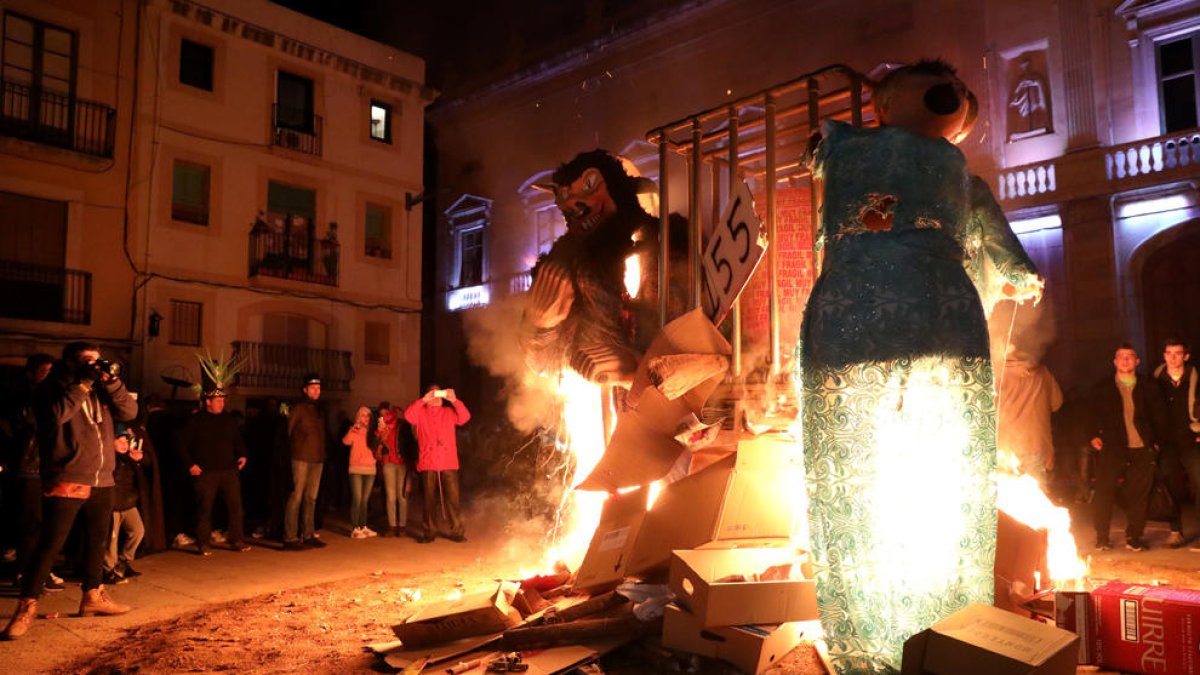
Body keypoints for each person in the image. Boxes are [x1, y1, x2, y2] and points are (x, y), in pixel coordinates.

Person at [794, 60, 1043, 671]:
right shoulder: (849, 148)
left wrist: (1016, 272)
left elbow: (986, 219)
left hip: (904, 308)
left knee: (914, 463)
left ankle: (920, 627)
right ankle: (893, 628)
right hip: (891, 310)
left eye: (959, 95)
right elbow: (990, 227)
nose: (953, 96)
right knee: (880, 469)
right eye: (944, 87)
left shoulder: (927, 165)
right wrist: (1016, 273)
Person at [2, 342, 138, 639]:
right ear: (72, 363)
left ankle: (93, 595)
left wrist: (111, 382)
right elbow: (54, 417)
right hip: (69, 474)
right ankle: (26, 606)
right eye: (89, 361)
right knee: (51, 543)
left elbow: (130, 410)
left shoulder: (103, 388)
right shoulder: (52, 388)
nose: (96, 366)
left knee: (96, 541)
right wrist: (83, 383)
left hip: (102, 476)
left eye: (98, 361)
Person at [1089, 343, 1166, 552]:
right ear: (1114, 361)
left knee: (1139, 494)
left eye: (1130, 356)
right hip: (1113, 446)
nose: (1125, 360)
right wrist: (1092, 435)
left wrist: (1157, 441)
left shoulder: (1149, 386)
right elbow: (1089, 414)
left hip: (1142, 447)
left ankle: (1134, 536)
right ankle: (1102, 536)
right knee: (1105, 491)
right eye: (1121, 357)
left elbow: (1160, 416)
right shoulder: (1103, 388)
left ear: (1137, 361)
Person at [0, 354, 65, 593]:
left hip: (45, 468)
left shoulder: (49, 396)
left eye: (51, 372)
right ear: (31, 373)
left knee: (45, 523)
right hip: (29, 467)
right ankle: (25, 573)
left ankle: (37, 570)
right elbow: (26, 430)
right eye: (43, 372)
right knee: (31, 523)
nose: (48, 376)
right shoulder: (25, 399)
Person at [177, 385, 250, 556]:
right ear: (208, 402)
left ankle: (237, 539)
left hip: (229, 471)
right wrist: (190, 464)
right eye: (218, 401)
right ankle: (204, 542)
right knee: (205, 508)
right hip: (206, 473)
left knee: (235, 507)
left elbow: (237, 440)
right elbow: (182, 445)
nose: (221, 404)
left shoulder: (228, 420)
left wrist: (243, 455)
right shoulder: (196, 421)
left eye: (223, 401)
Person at [404, 385, 471, 543]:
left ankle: (456, 531)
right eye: (432, 394)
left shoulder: (448, 412)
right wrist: (423, 400)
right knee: (428, 500)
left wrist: (454, 401)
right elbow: (408, 416)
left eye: (438, 394)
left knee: (453, 499)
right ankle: (429, 532)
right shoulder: (420, 413)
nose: (436, 397)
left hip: (448, 461)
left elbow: (465, 418)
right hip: (428, 462)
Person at [1152, 339, 1200, 548]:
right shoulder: (1155, 381)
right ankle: (1175, 530)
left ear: (1185, 356)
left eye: (1178, 353)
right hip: (1166, 442)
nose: (1173, 357)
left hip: (1191, 439)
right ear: (1164, 355)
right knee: (1170, 485)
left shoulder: (1196, 379)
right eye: (1169, 353)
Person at [997, 345, 1063, 488]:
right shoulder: (1043, 372)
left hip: (1005, 446)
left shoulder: (997, 374)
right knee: (1035, 497)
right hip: (1036, 444)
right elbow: (1057, 403)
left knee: (1006, 495)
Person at [284, 373, 326, 551]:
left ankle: (308, 534)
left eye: (318, 388)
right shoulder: (298, 408)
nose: (316, 391)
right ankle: (290, 537)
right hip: (301, 458)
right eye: (313, 388)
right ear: (305, 390)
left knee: (311, 498)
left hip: (317, 459)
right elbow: (288, 431)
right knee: (297, 496)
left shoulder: (319, 409)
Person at [104, 425, 146, 584]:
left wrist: (138, 459)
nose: (124, 444)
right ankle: (108, 571)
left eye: (126, 441)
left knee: (138, 531)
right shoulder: (108, 457)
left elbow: (146, 463)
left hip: (128, 502)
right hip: (113, 505)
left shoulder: (129, 458)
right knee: (111, 542)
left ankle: (123, 562)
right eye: (120, 440)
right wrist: (130, 458)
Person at [374, 401, 408, 537]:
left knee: (402, 496)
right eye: (381, 414)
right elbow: (375, 444)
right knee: (390, 496)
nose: (384, 416)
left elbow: (408, 441)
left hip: (402, 462)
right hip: (388, 462)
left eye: (386, 413)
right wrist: (381, 435)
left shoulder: (401, 425)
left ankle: (402, 526)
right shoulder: (380, 427)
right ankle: (392, 526)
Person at [343, 406, 378, 538]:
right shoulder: (355, 429)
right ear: (358, 417)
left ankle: (363, 526)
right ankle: (355, 528)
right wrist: (353, 430)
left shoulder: (373, 431)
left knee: (365, 499)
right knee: (357, 498)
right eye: (362, 415)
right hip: (356, 468)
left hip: (370, 468)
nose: (365, 418)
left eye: (368, 415)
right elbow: (345, 442)